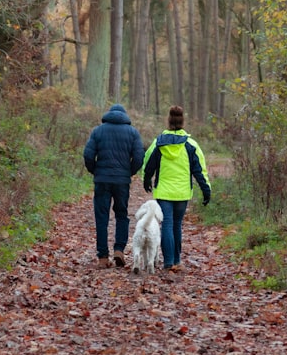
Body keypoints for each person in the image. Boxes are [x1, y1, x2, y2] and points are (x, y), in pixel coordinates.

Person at [142, 105, 211, 272]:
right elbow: (199, 170)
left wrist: (146, 179)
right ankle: (177, 260)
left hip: (164, 192)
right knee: (177, 224)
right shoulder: (190, 145)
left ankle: (168, 262)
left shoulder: (158, 143)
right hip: (182, 192)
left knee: (167, 223)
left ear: (169, 120)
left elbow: (148, 163)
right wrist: (206, 189)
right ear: (182, 121)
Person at [83, 103, 145, 268]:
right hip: (122, 181)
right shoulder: (132, 133)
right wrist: (129, 172)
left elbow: (88, 154)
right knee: (122, 215)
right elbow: (139, 156)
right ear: (125, 116)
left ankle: (103, 257)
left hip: (102, 180)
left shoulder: (98, 131)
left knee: (102, 217)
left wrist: (95, 171)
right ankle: (119, 249)